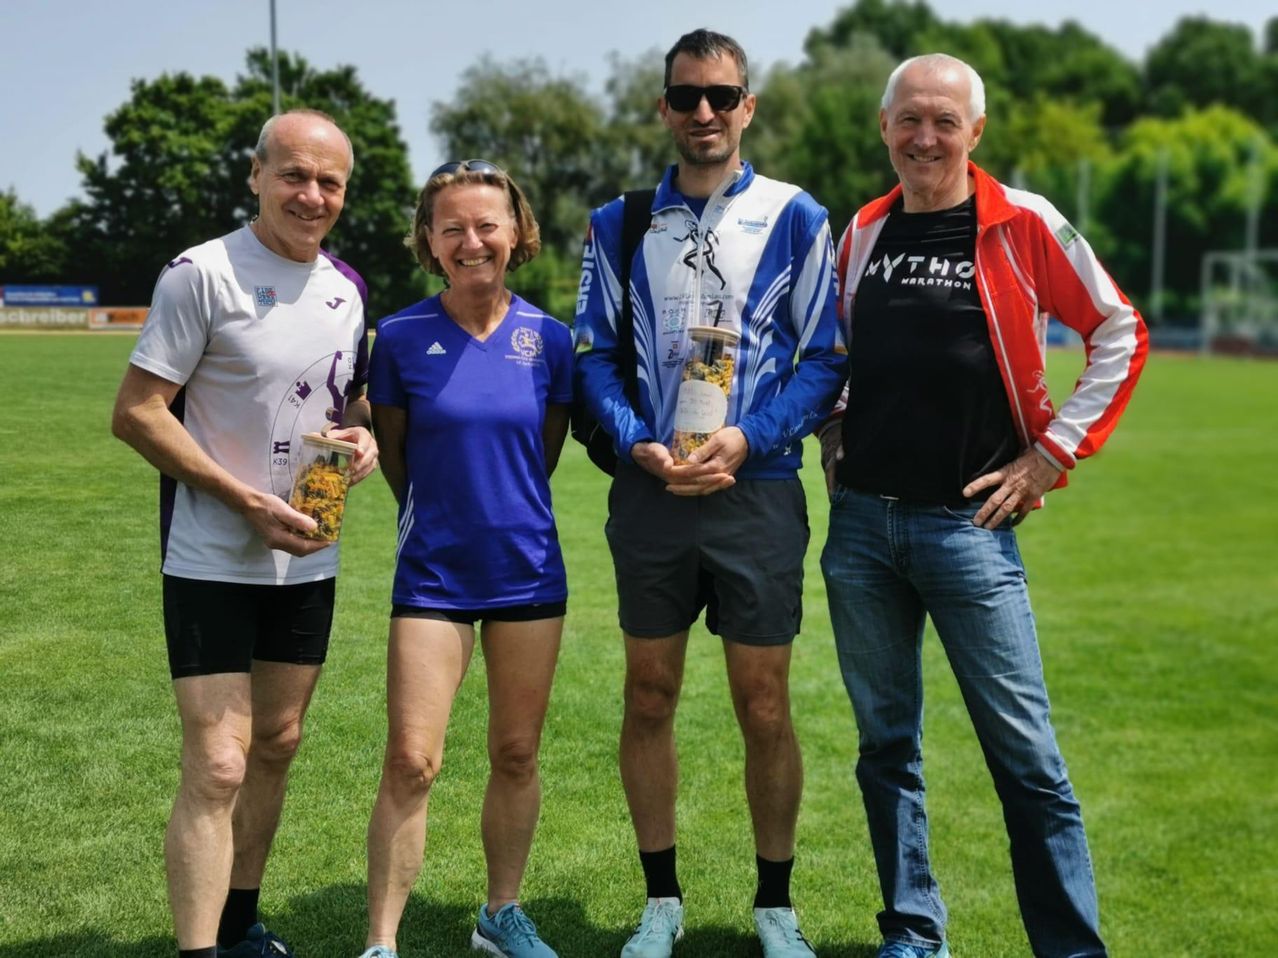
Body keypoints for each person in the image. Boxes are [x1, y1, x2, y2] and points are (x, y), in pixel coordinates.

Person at [818, 54, 1148, 958]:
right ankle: (914, 932)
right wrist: (835, 429)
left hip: (971, 531)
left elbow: (1118, 328)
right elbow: (844, 358)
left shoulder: (1023, 221)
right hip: (862, 533)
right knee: (887, 747)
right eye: (909, 120)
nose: (926, 138)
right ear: (885, 127)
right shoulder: (864, 230)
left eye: (944, 121)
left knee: (1029, 762)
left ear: (976, 131)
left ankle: (1071, 950)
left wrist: (1049, 455)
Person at [574, 28, 847, 958]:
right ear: (663, 108)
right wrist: (640, 443)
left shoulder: (799, 216)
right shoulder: (617, 222)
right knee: (648, 693)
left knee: (763, 703)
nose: (704, 114)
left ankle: (775, 906)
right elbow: (592, 358)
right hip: (652, 493)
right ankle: (662, 902)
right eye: (686, 97)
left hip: (756, 488)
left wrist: (746, 435)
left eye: (721, 97)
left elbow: (828, 361)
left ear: (748, 107)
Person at [111, 109, 378, 958]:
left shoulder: (347, 287)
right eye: (294, 175)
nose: (311, 195)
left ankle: (239, 923)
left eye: (328, 182)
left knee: (278, 744)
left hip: (308, 555)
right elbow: (138, 413)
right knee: (218, 763)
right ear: (256, 175)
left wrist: (364, 434)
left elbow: (348, 400)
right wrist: (242, 500)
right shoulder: (203, 273)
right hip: (210, 553)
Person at [357, 160, 572, 958]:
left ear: (516, 234)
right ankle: (382, 942)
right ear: (429, 241)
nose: (471, 240)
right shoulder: (402, 339)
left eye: (487, 225)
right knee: (412, 760)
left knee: (516, 752)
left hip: (528, 573)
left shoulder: (550, 341)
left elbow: (538, 456)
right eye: (452, 227)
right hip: (433, 576)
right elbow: (397, 454)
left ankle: (500, 914)